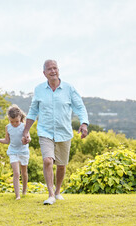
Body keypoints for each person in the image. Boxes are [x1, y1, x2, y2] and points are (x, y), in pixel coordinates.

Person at [22, 59, 89, 205]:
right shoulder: (39, 89)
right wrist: (26, 131)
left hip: (64, 131)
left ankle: (58, 191)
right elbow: (33, 111)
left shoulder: (69, 88)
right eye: (49, 69)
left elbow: (80, 107)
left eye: (55, 68)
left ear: (58, 70)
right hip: (45, 131)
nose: (53, 71)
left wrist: (84, 123)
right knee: (47, 160)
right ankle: (51, 194)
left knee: (61, 165)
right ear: (44, 73)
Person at [0, 104, 30, 200]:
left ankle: (24, 190)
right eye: (12, 121)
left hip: (23, 151)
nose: (14, 124)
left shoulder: (24, 126)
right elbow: (7, 141)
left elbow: (29, 137)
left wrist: (27, 140)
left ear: (20, 118)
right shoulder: (8, 127)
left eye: (16, 121)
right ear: (9, 119)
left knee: (24, 172)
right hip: (13, 151)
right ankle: (17, 195)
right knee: (16, 173)